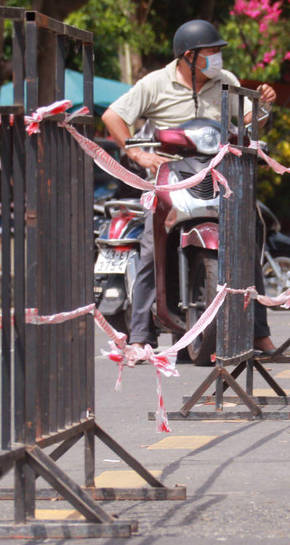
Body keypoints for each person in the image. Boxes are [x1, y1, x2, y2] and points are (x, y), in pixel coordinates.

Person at [101, 19, 278, 358]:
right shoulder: (155, 83)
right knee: (152, 247)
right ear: (189, 56)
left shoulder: (227, 82)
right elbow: (112, 117)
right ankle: (141, 336)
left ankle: (258, 331)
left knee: (247, 239)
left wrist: (263, 106)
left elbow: (247, 124)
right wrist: (136, 153)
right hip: (171, 174)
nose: (217, 58)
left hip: (219, 174)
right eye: (211, 51)